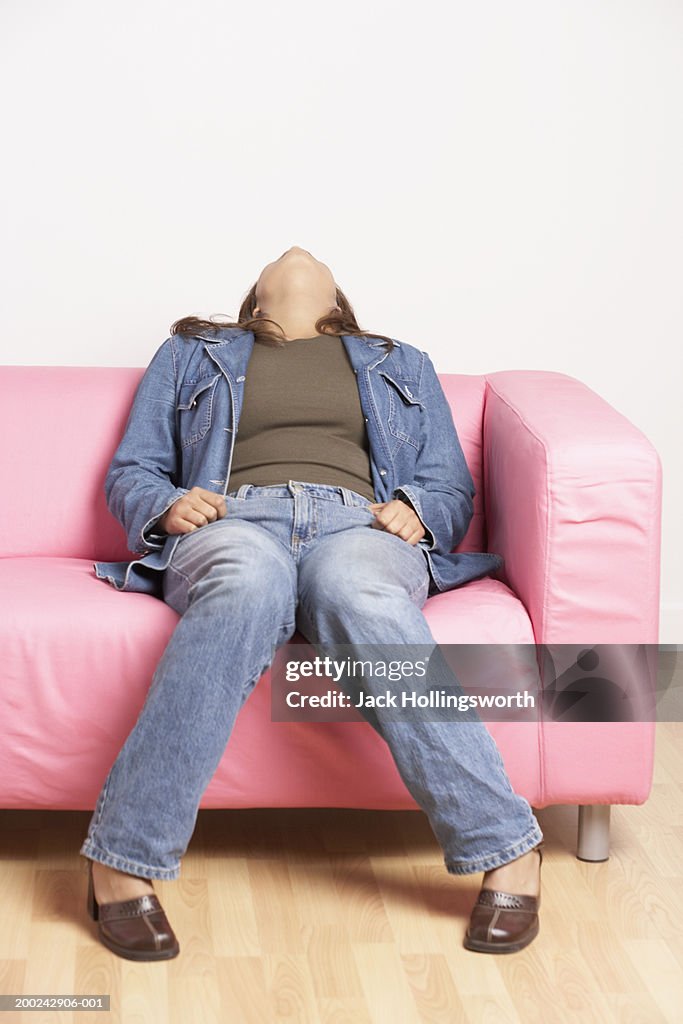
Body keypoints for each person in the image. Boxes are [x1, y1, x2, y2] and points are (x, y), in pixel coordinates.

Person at [80, 246, 544, 961]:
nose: (296, 251)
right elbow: (132, 469)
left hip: (359, 525)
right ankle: (121, 859)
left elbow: (449, 484)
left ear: (338, 303)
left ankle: (506, 848)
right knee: (244, 586)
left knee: (357, 592)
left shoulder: (400, 360)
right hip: (233, 521)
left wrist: (418, 511)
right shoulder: (191, 353)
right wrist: (167, 504)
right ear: (254, 302)